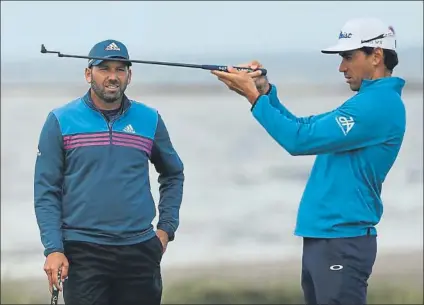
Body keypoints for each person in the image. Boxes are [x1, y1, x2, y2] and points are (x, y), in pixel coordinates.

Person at [211, 17, 406, 304]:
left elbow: (299, 140)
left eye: (349, 57)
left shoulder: (378, 105)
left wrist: (253, 97)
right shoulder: (367, 101)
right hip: (327, 237)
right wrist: (264, 91)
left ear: (376, 55)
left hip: (343, 239)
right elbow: (304, 128)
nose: (342, 67)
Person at [34, 39, 185, 305]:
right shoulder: (60, 120)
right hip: (83, 252)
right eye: (104, 68)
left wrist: (166, 228)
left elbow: (173, 174)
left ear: (130, 75)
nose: (113, 77)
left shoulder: (149, 119)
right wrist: (54, 249)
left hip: (139, 250)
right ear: (88, 73)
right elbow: (46, 191)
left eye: (120, 69)